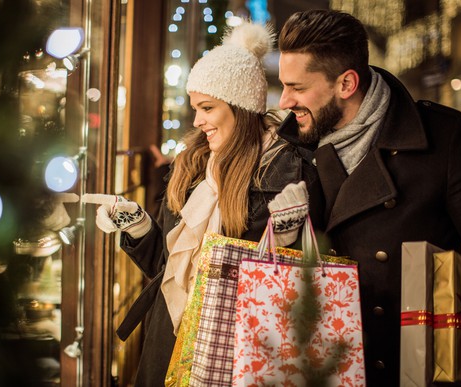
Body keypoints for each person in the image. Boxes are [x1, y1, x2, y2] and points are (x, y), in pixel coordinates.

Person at [276, 9, 461, 387]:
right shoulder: (288, 150)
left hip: (407, 367)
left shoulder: (448, 140)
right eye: (283, 86)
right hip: (315, 368)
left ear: (346, 83)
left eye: (297, 88)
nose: (284, 102)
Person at [83, 20, 323, 386]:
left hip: (237, 355)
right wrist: (139, 226)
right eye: (196, 108)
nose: (198, 121)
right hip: (168, 347)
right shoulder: (191, 166)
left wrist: (285, 241)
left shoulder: (289, 170)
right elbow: (166, 269)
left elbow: (288, 292)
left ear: (240, 107)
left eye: (207, 108)